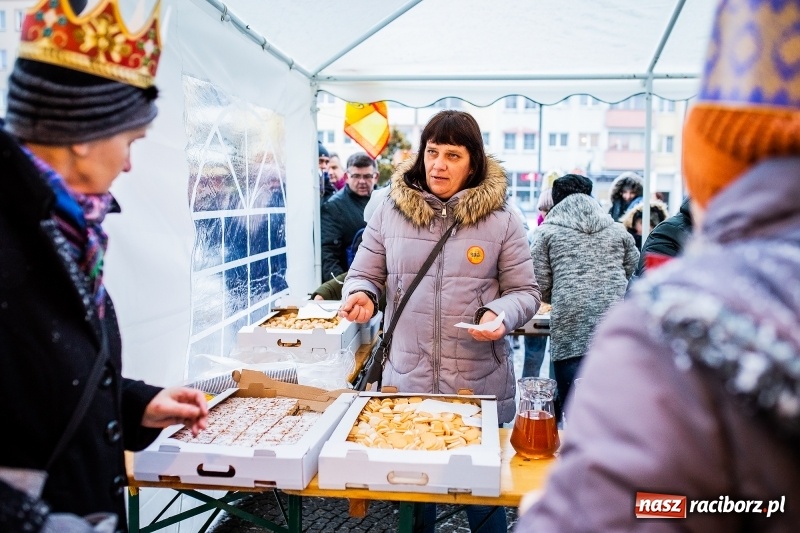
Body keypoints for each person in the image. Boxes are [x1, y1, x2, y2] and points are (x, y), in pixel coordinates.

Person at [517, 0, 800, 530]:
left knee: (565, 418)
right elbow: (630, 262)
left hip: (577, 331)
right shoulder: (614, 229)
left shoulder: (680, 324)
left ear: (709, 160)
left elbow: (639, 508)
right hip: (604, 322)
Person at [0, 0, 209, 530]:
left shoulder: (64, 224)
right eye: (131, 140)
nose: (131, 162)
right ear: (82, 132)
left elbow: (42, 379)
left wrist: (135, 403)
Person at [340, 110, 540, 533]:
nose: (438, 164)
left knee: (483, 504)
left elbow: (527, 292)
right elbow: (365, 273)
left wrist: (501, 313)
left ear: (474, 162)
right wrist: (361, 294)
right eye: (432, 152)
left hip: (476, 385)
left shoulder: (503, 220)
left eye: (453, 154)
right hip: (405, 384)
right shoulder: (389, 212)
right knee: (414, 502)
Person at [529, 174, 638, 420]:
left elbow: (539, 282)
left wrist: (564, 293)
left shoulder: (546, 232)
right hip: (613, 326)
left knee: (574, 411)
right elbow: (634, 268)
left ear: (556, 202)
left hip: (570, 326)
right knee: (611, 410)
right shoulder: (617, 230)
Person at [320, 152, 377, 282]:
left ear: (376, 177)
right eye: (356, 176)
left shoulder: (385, 201)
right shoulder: (333, 207)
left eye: (367, 176)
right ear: (346, 176)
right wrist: (341, 288)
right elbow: (329, 254)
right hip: (352, 282)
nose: (362, 181)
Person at [522, 187, 555, 378]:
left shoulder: (538, 233)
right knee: (535, 353)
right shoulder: (535, 233)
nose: (544, 213)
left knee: (537, 354)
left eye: (547, 209)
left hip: (543, 302)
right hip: (538, 303)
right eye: (542, 209)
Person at [628, 196, 693, 285]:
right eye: (641, 223)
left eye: (652, 223)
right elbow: (654, 289)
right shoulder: (667, 233)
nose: (648, 227)